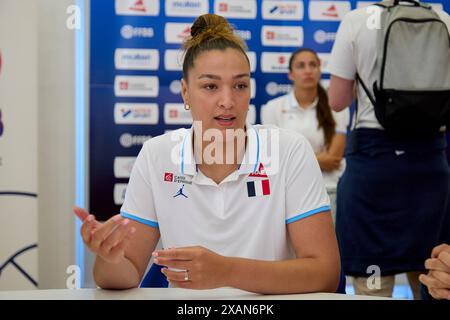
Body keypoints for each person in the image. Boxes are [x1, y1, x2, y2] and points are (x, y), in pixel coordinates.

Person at [74, 14, 341, 293]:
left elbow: (324, 273)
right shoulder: (158, 155)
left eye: (239, 85)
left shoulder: (289, 150)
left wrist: (226, 271)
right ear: (186, 93)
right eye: (210, 86)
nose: (227, 101)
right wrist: (108, 257)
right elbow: (124, 273)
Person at [328, 4, 450, 298]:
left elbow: (337, 101)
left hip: (375, 166)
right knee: (434, 277)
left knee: (373, 283)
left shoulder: (357, 21)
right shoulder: (445, 20)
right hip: (430, 165)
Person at [261, 48, 349, 220]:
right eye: (301, 66)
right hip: (290, 191)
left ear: (319, 70)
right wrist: (319, 159)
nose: (308, 70)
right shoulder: (272, 108)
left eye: (313, 65)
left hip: (330, 190)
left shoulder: (336, 107)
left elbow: (333, 159)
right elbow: (273, 159)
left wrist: (294, 158)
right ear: (290, 74)